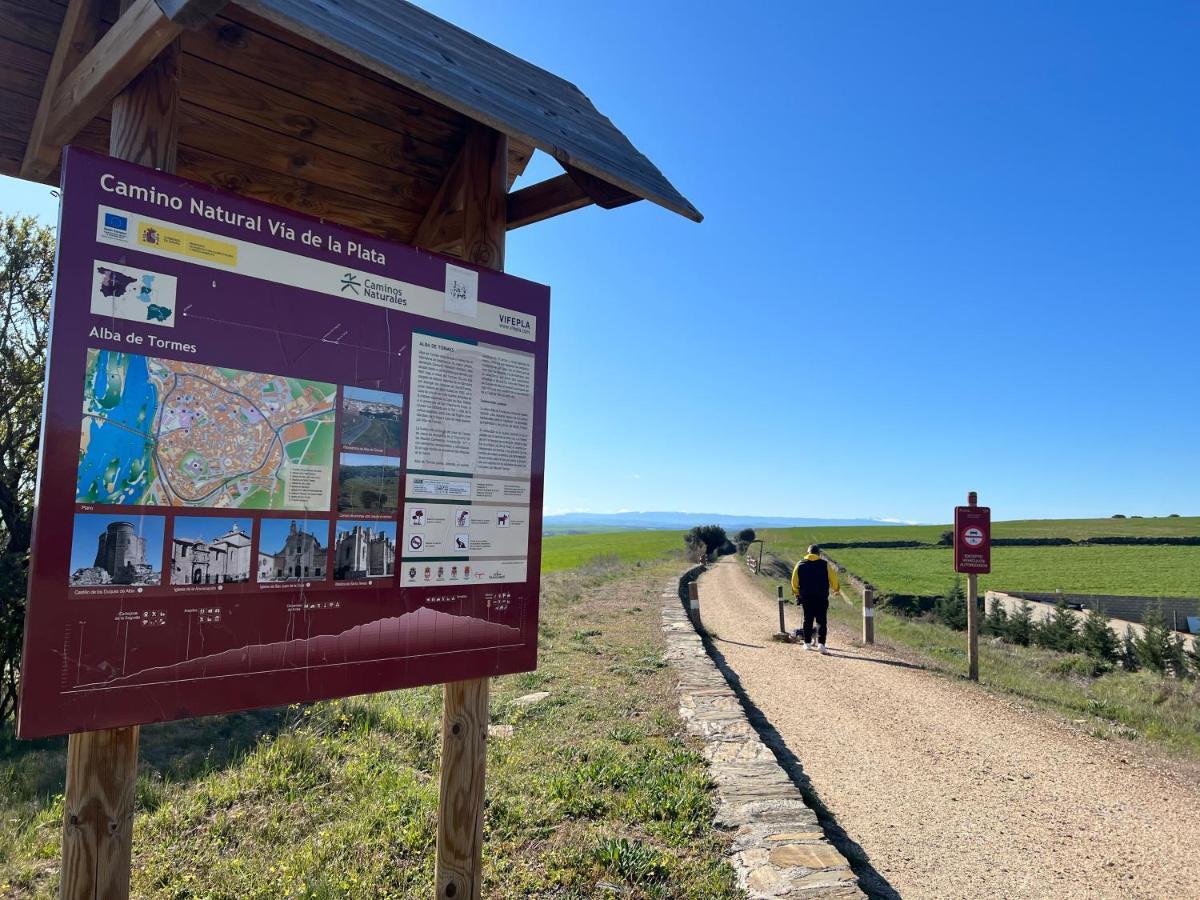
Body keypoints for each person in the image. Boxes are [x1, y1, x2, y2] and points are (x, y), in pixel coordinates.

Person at [791, 545, 839, 653]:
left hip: (806, 597)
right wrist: (836, 589)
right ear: (819, 554)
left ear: (808, 553)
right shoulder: (825, 564)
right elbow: (833, 578)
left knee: (807, 619)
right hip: (821, 597)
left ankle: (807, 643)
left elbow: (794, 581)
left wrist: (797, 593)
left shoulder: (800, 564)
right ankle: (821, 645)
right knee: (821, 621)